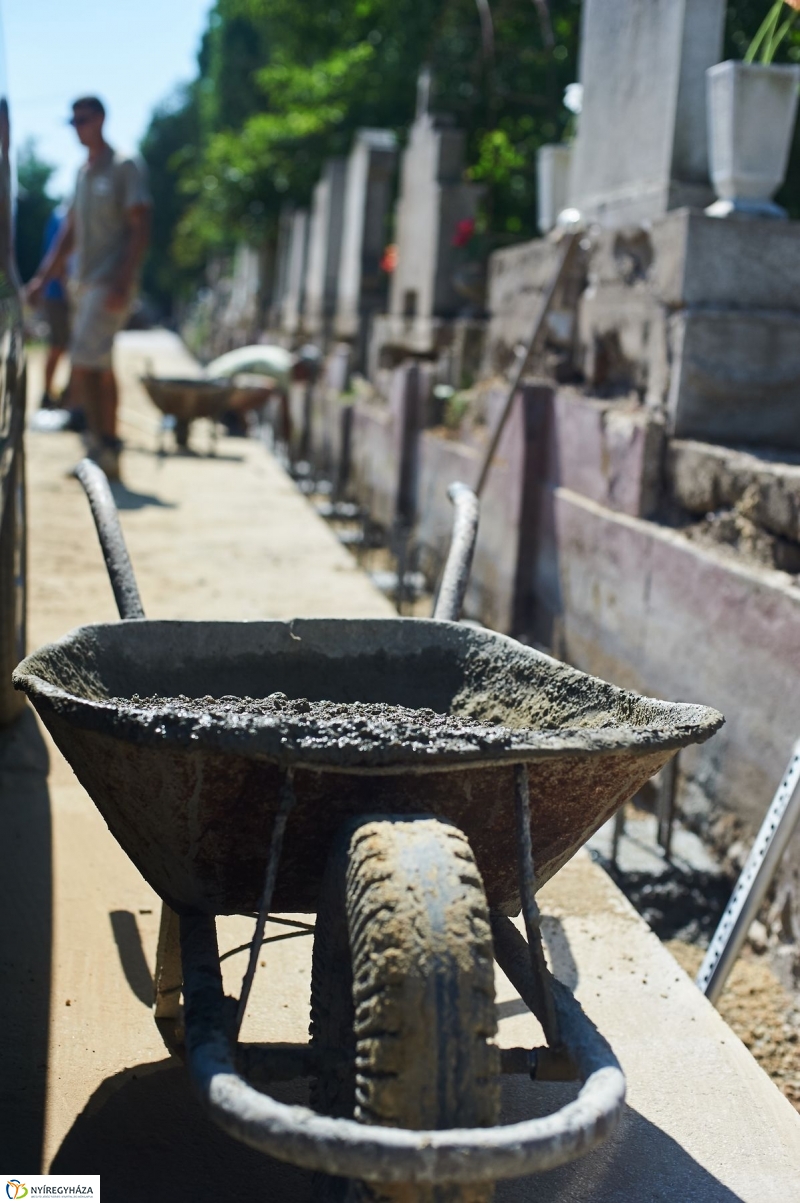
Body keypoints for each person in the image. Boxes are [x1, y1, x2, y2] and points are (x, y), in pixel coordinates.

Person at [26, 96, 151, 480]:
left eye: (84, 119)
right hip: (84, 283)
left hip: (109, 282)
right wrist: (43, 277)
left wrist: (124, 279)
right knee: (99, 366)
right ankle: (106, 447)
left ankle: (102, 444)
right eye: (74, 121)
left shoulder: (124, 165)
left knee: (82, 360)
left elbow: (140, 225)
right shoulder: (82, 173)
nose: (78, 128)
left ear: (101, 119)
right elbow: (70, 231)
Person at [39, 202, 70, 409]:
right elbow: (58, 254)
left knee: (66, 347)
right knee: (58, 345)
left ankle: (65, 396)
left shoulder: (58, 215)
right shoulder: (63, 217)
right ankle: (48, 394)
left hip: (61, 292)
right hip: (60, 293)